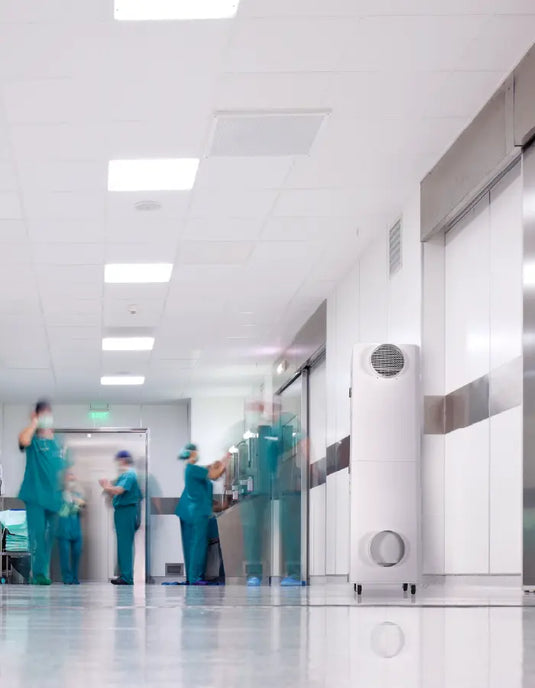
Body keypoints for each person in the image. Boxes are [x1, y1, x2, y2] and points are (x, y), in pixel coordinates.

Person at [18, 400, 64, 585]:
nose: (47, 417)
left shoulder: (56, 443)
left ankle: (41, 571)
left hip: (53, 499)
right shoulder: (33, 440)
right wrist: (34, 423)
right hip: (36, 496)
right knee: (37, 535)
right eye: (43, 413)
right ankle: (37, 574)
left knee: (49, 537)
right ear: (37, 415)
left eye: (49, 413)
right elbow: (23, 440)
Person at [176, 444, 229, 586]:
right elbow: (213, 474)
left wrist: (217, 463)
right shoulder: (193, 469)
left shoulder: (192, 469)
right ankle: (195, 578)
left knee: (192, 545)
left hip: (190, 511)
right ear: (192, 453)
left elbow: (209, 471)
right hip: (195, 513)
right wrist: (225, 462)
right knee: (197, 545)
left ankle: (192, 577)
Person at [99, 450, 142, 586]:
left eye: (118, 461)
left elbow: (119, 490)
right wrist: (109, 488)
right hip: (123, 511)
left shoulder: (129, 474)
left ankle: (127, 577)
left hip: (127, 511)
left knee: (125, 545)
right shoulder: (126, 475)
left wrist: (107, 486)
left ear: (123, 460)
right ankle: (124, 575)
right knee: (123, 544)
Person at [57, 470, 85, 585]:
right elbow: (61, 512)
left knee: (77, 553)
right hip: (63, 530)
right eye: (70, 479)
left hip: (76, 530)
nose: (72, 482)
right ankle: (67, 578)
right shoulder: (59, 495)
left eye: (73, 480)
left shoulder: (78, 495)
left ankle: (75, 577)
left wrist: (80, 504)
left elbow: (82, 510)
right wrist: (71, 503)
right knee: (65, 555)